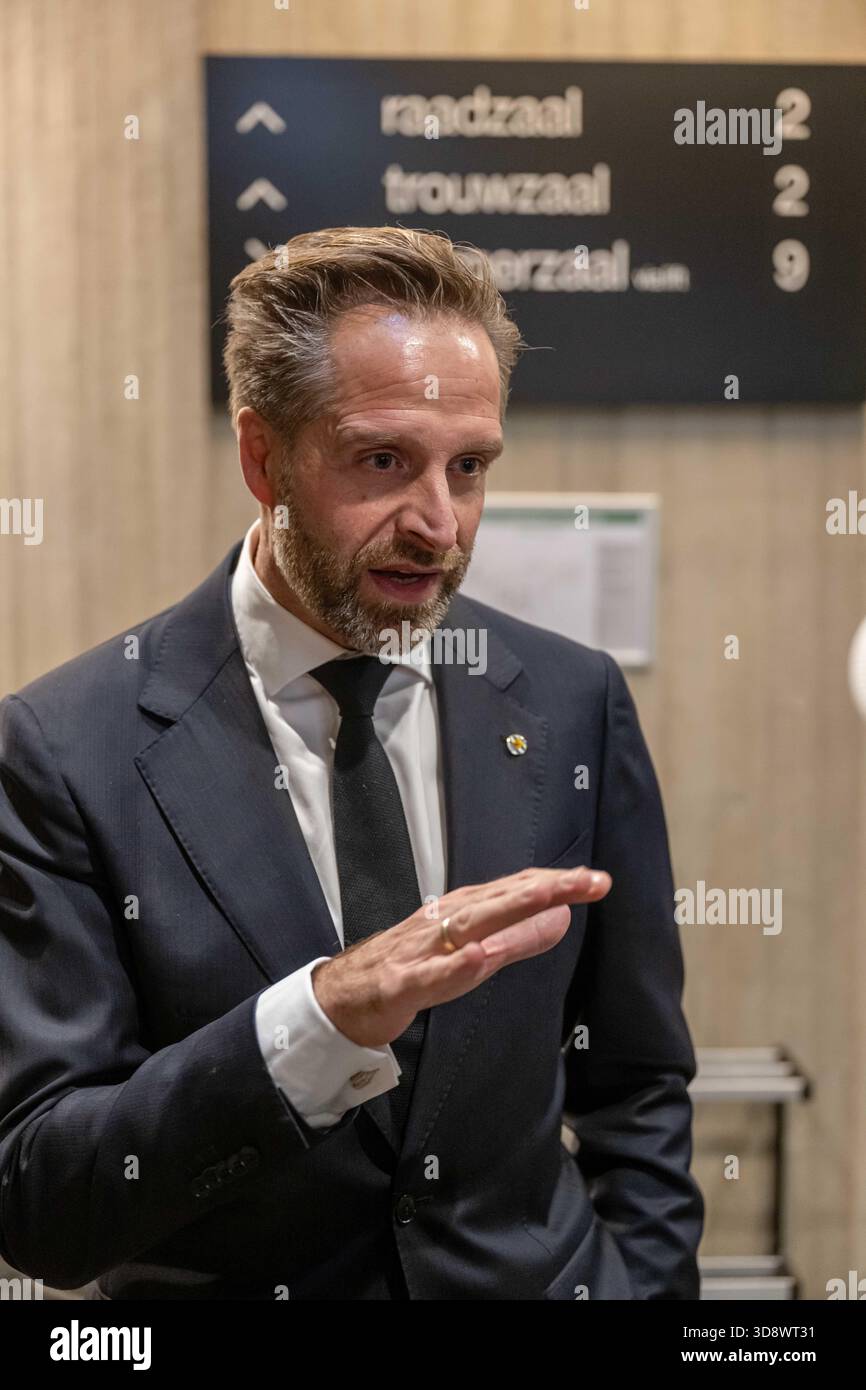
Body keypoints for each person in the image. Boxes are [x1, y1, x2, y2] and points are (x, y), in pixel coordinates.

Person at [0, 226, 703, 1300]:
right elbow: (42, 1199)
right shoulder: (62, 750)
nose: (437, 524)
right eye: (382, 461)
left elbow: (636, 1079)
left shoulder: (571, 702)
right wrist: (314, 1023)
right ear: (261, 456)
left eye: (468, 467)